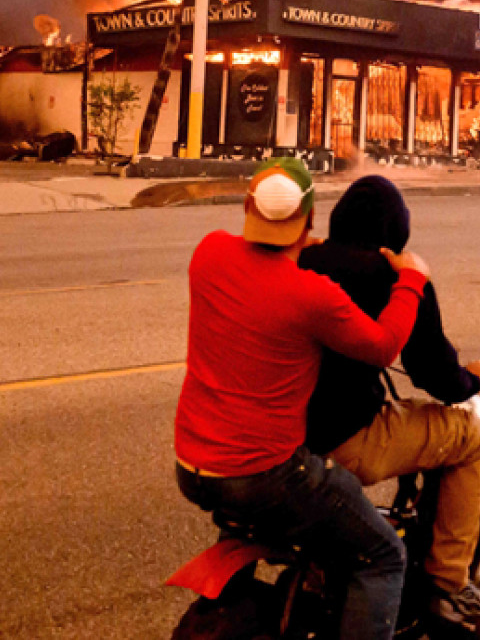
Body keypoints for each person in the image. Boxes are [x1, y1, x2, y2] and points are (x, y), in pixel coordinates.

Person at [175, 158, 433, 640]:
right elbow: (382, 345)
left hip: (192, 468)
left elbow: (256, 264)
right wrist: (412, 279)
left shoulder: (207, 253)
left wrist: (297, 247)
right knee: (381, 558)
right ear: (311, 218)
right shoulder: (312, 295)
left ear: (248, 207)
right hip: (268, 475)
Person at [300, 175, 480, 633]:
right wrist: (476, 378)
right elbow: (438, 377)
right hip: (346, 437)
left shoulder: (302, 261)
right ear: (398, 229)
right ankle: (448, 580)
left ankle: (321, 574)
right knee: (471, 436)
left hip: (287, 437)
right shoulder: (399, 277)